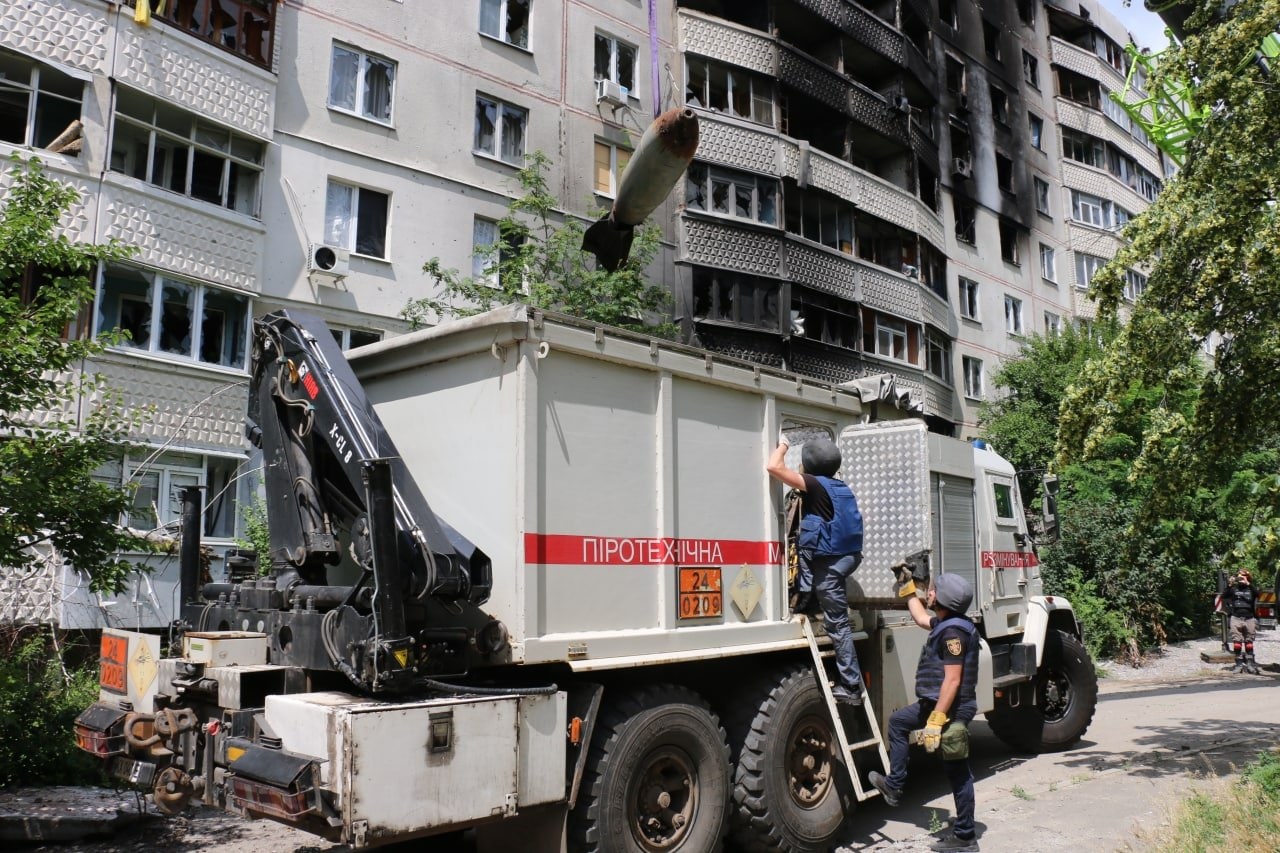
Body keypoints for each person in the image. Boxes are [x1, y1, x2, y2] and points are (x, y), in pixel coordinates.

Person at [869, 573, 980, 853]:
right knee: (898, 723)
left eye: (931, 591)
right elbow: (920, 618)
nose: (928, 594)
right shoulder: (945, 623)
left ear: (942, 599)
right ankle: (894, 786)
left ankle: (966, 837)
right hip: (934, 705)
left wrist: (937, 720)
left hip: (951, 709)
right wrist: (909, 591)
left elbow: (953, 680)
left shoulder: (953, 633)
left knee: (957, 770)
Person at [767, 433, 865, 705]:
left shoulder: (815, 484)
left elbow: (774, 467)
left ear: (809, 465)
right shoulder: (840, 486)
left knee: (838, 625)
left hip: (830, 564)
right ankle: (811, 603)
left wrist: (784, 444)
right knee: (829, 603)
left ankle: (852, 687)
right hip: (847, 557)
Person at [1226, 568, 1260, 674]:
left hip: (1249, 618)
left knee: (1249, 642)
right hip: (1236, 618)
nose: (1240, 578)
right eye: (1239, 576)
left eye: (1243, 576)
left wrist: (1248, 583)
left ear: (1248, 577)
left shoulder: (1251, 589)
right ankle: (1238, 664)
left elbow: (1259, 595)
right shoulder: (1234, 589)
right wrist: (1230, 584)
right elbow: (1224, 596)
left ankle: (1250, 664)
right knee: (1237, 642)